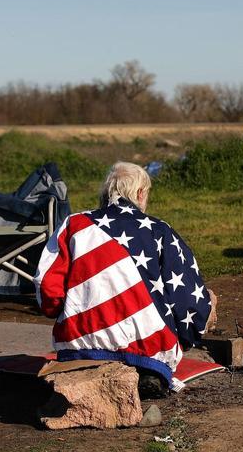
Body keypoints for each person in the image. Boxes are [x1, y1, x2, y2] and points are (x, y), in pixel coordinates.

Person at [34, 162, 216, 392]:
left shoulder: (74, 225)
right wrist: (193, 331)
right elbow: (189, 299)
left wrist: (63, 310)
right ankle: (144, 375)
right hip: (149, 349)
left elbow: (47, 286)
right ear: (140, 194)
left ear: (107, 191)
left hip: (79, 345)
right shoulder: (160, 230)